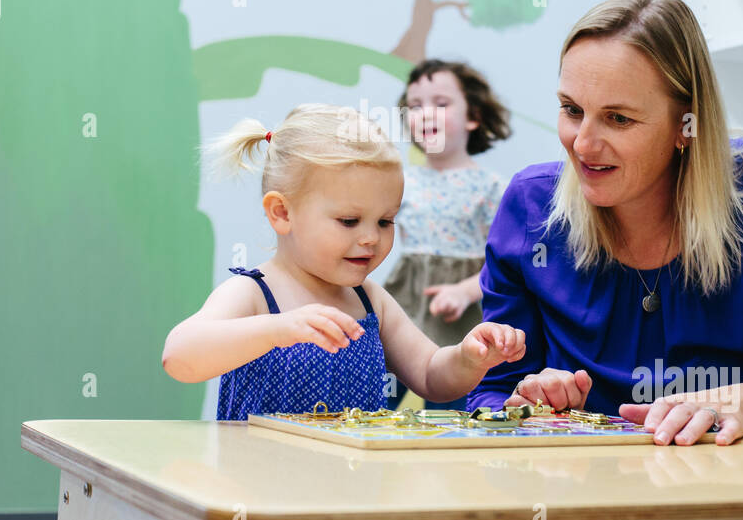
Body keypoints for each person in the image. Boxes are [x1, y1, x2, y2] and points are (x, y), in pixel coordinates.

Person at [471, 0, 743, 446]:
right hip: (585, 490)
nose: (582, 145)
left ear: (687, 124)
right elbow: (493, 391)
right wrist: (528, 406)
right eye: (571, 110)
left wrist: (740, 402)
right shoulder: (530, 206)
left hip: (739, 484)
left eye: (618, 119)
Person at [162, 103, 526, 419]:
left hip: (350, 491)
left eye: (386, 221)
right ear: (282, 213)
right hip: (259, 490)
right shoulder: (254, 293)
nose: (371, 237)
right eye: (349, 221)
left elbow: (431, 375)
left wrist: (468, 358)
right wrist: (279, 329)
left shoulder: (369, 299)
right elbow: (179, 355)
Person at [383, 59, 510, 410]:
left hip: (461, 314)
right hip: (405, 303)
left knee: (451, 405)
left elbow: (503, 263)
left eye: (441, 104)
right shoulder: (398, 181)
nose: (426, 114)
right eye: (415, 106)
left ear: (473, 117)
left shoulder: (490, 187)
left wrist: (465, 291)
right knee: (378, 396)